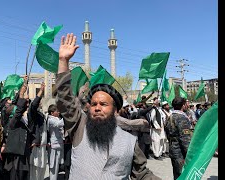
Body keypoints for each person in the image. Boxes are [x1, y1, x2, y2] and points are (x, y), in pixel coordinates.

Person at [55, 33, 160, 179]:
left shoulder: (130, 141)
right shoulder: (79, 127)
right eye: (93, 104)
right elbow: (65, 99)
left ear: (116, 110)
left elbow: (141, 174)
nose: (97, 108)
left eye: (103, 104)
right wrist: (63, 61)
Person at [165, 97, 192, 180]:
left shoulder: (170, 116)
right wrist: (190, 154)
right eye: (186, 104)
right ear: (183, 105)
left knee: (177, 174)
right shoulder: (182, 118)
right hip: (180, 152)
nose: (187, 105)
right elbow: (185, 140)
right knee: (183, 174)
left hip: (173, 149)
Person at [46, 104, 64, 180]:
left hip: (59, 144)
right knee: (53, 165)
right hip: (53, 145)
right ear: (52, 113)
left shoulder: (57, 118)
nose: (59, 112)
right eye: (57, 111)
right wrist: (66, 117)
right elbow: (59, 124)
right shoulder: (50, 120)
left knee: (57, 165)